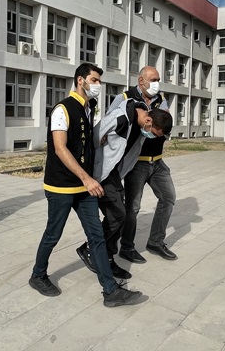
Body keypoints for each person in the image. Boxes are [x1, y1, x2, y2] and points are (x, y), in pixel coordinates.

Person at [29, 63, 143, 308]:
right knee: (53, 234)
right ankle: (38, 275)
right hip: (61, 187)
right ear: (80, 80)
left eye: (99, 81)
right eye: (94, 80)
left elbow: (83, 141)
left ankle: (110, 291)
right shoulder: (62, 109)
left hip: (83, 188)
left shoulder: (89, 108)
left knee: (97, 236)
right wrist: (86, 178)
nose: (97, 85)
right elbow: (60, 148)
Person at [76, 97, 173, 279]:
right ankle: (90, 249)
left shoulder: (143, 120)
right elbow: (92, 139)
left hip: (114, 173)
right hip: (101, 171)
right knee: (119, 214)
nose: (152, 136)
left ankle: (108, 258)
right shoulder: (120, 117)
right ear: (149, 120)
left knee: (120, 216)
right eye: (154, 133)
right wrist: (88, 176)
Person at [112, 66, 178, 263]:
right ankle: (127, 247)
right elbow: (111, 123)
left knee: (168, 198)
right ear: (141, 81)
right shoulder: (125, 98)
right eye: (153, 79)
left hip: (157, 162)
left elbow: (164, 126)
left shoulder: (161, 100)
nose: (157, 83)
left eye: (158, 79)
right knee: (133, 207)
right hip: (136, 164)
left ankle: (156, 242)